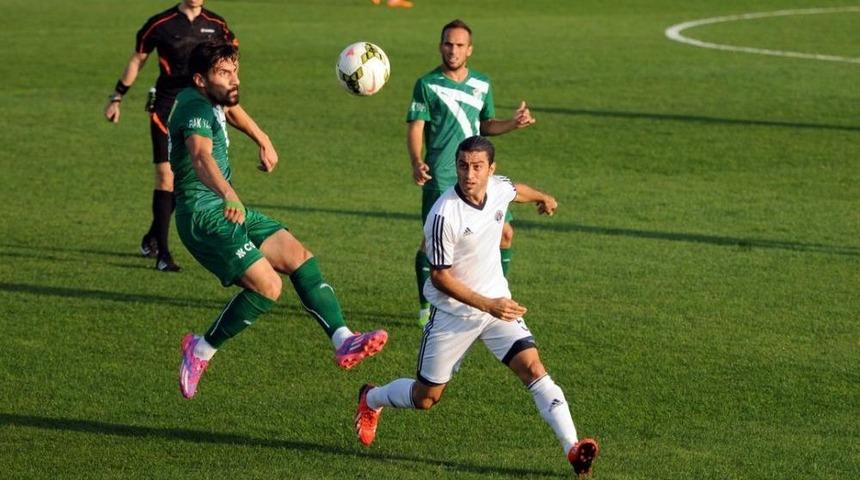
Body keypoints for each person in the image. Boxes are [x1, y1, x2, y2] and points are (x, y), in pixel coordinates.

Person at [354, 136, 599, 477]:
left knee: (533, 367)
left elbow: (516, 189)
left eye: (477, 167)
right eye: (463, 166)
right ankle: (372, 398)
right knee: (427, 398)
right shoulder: (444, 215)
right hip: (454, 315)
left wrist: (543, 197)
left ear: (490, 169)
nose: (469, 174)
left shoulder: (497, 188)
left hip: (497, 306)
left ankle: (572, 449)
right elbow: (439, 277)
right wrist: (488, 304)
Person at [173, 42, 388, 399]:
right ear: (200, 79)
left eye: (235, 71)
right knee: (268, 287)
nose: (233, 79)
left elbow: (232, 110)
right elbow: (199, 157)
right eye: (224, 73)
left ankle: (343, 339)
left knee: (297, 255)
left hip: (226, 207)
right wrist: (228, 193)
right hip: (203, 216)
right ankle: (200, 350)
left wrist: (263, 138)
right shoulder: (193, 106)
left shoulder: (212, 96)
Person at [407, 19, 536, 326]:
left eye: (459, 45)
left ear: (470, 50)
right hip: (442, 174)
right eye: (448, 44)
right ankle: (426, 306)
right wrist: (416, 160)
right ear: (440, 46)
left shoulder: (482, 83)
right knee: (431, 246)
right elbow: (416, 126)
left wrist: (513, 123)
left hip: (479, 175)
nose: (453, 50)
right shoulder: (427, 84)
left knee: (505, 233)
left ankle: (497, 295)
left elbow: (486, 125)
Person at [104, 0, 239, 272]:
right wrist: (117, 96)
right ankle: (162, 253)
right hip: (166, 107)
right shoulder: (160, 24)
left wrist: (228, 94)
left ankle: (153, 233)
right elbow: (137, 59)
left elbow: (232, 58)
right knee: (166, 176)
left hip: (202, 107)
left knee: (187, 175)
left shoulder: (217, 24)